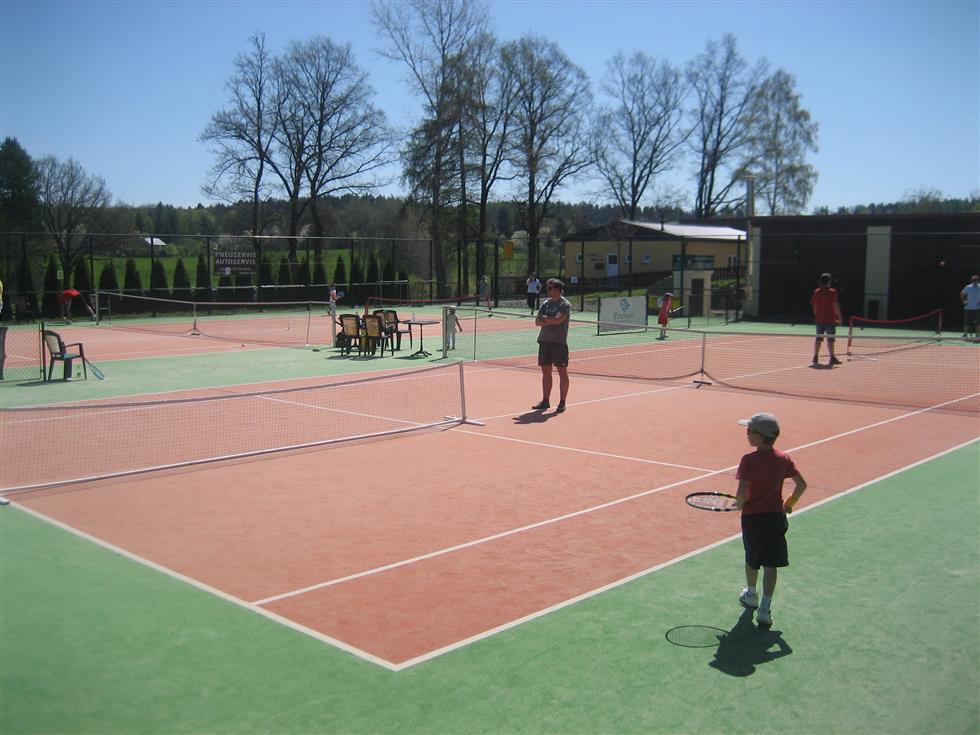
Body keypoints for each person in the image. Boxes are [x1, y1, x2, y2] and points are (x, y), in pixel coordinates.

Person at [733, 412, 807, 627]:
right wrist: (790, 503)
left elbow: (742, 491)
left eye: (749, 431)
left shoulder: (748, 460)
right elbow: (801, 485)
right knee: (770, 564)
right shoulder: (784, 459)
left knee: (752, 559)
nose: (746, 434)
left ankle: (751, 595)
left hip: (753, 519)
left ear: (758, 436)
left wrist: (739, 503)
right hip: (776, 518)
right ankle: (765, 608)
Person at [532, 278, 571, 414]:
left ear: (557, 289)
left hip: (559, 343)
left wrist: (547, 319)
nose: (547, 290)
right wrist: (550, 320)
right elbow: (537, 322)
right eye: (547, 288)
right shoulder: (545, 303)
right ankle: (545, 400)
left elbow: (558, 320)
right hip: (544, 341)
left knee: (562, 373)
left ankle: (562, 402)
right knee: (546, 373)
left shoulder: (565, 304)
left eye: (550, 288)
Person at [810, 273, 842, 366]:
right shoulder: (832, 292)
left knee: (818, 339)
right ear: (828, 281)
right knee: (830, 339)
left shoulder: (816, 291)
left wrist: (817, 316)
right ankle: (832, 357)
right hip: (830, 320)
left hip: (819, 320)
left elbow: (814, 306)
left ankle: (815, 357)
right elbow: (835, 305)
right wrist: (840, 318)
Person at [960, 274, 980, 339]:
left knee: (978, 322)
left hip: (977, 308)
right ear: (972, 281)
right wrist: (964, 301)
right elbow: (962, 293)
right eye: (974, 281)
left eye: (976, 280)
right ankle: (965, 334)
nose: (975, 282)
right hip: (968, 308)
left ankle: (977, 335)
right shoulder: (968, 287)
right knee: (966, 322)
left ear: (978, 281)